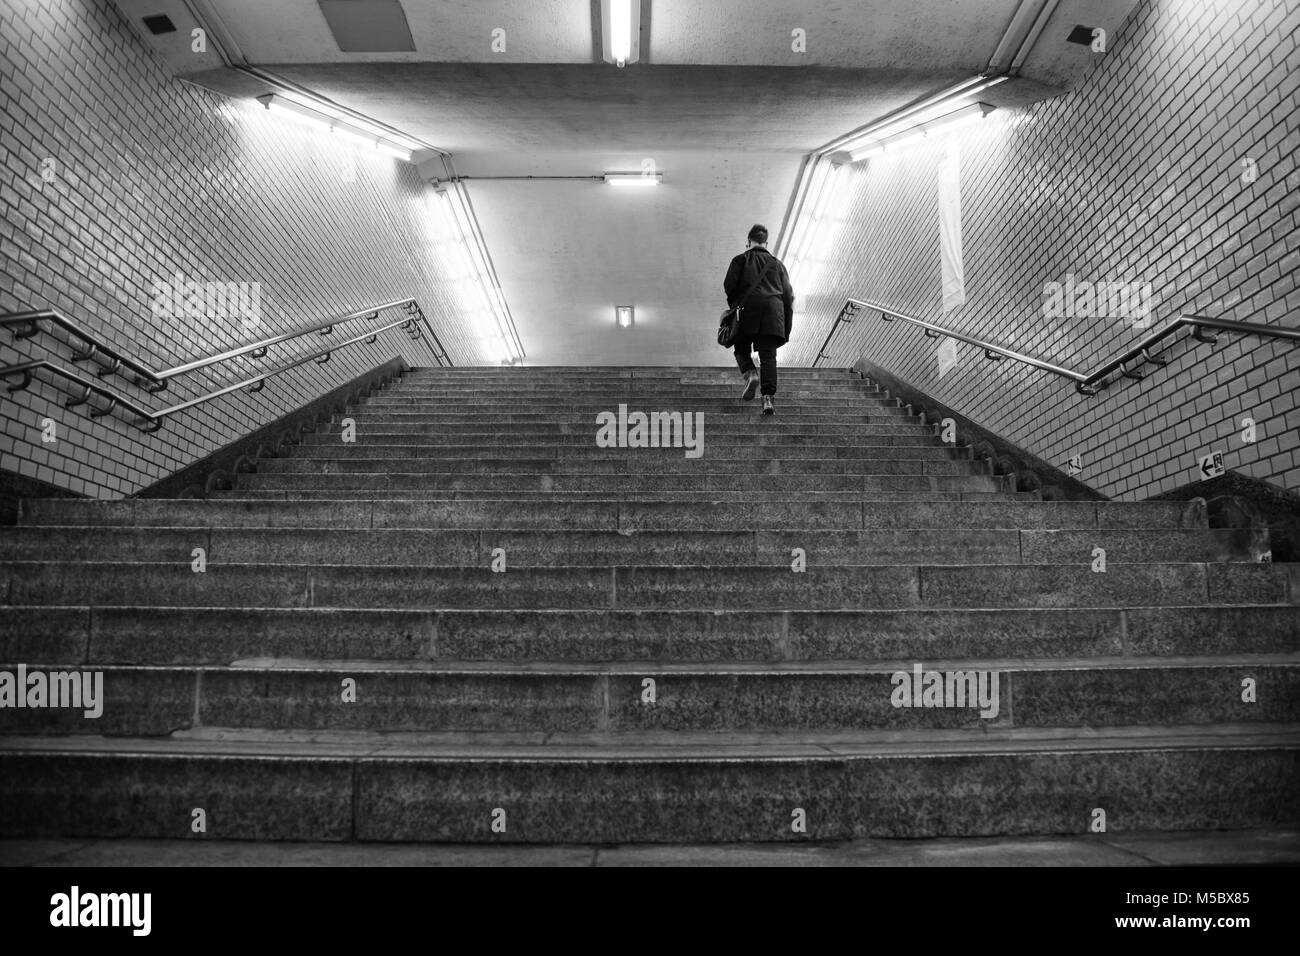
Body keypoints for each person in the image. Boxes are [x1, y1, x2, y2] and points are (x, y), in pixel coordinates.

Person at [723, 224, 794, 415]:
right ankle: (768, 399)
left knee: (741, 349)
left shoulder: (739, 260)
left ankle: (751, 374)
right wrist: (785, 325)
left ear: (748, 242)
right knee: (768, 357)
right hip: (773, 313)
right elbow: (788, 296)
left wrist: (736, 305)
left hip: (746, 311)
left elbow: (729, 286)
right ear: (766, 243)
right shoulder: (778, 265)